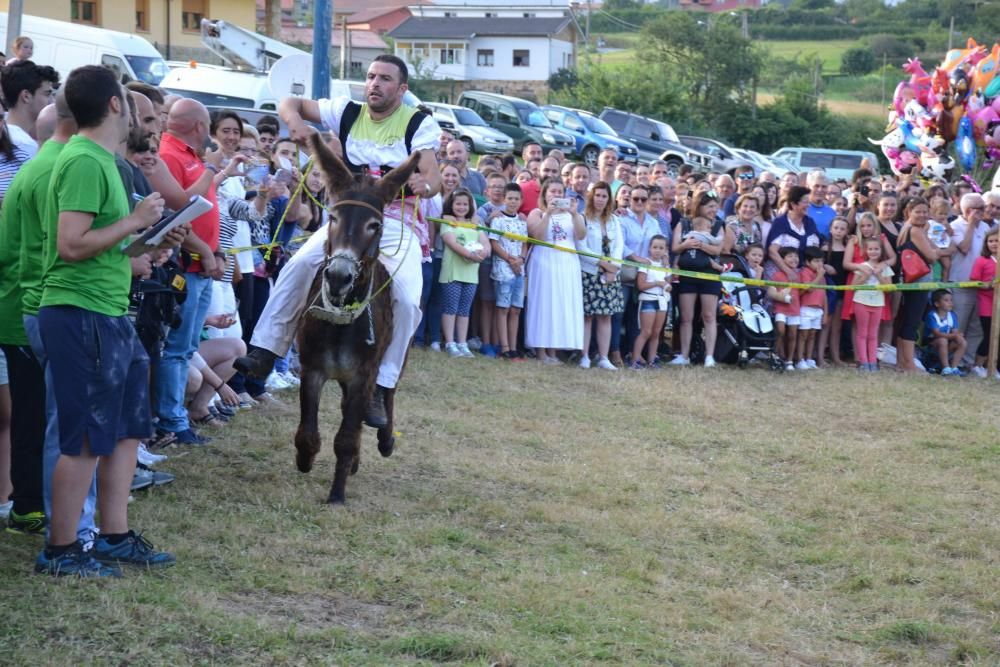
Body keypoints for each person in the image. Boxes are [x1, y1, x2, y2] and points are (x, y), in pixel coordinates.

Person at [236, 55, 442, 428]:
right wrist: (295, 122)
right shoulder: (347, 111)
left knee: (409, 299)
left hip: (394, 219)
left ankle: (382, 384)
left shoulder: (418, 123)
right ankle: (266, 348)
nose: (375, 84)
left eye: (384, 79)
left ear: (402, 88)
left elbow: (432, 174)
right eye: (370, 76)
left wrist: (424, 184)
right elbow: (288, 101)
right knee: (299, 265)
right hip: (346, 216)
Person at [36, 65, 184, 576]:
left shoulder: (100, 160)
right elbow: (71, 244)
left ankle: (114, 536)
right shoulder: (82, 160)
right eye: (128, 97)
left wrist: (151, 244)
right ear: (115, 105)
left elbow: (106, 244)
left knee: (124, 430)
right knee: (81, 438)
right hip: (80, 312)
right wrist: (136, 221)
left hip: (109, 308)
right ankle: (61, 550)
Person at [151, 98, 226, 445]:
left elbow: (207, 212)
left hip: (202, 265)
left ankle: (176, 417)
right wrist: (205, 251)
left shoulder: (193, 157)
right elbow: (175, 213)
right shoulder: (170, 155)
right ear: (200, 126)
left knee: (187, 346)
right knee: (177, 348)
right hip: (185, 266)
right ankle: (171, 420)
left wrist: (216, 251)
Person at [525, 177, 585, 364]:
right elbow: (538, 236)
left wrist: (575, 215)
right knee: (543, 304)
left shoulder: (574, 215)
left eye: (560, 192)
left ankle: (553, 351)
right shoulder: (537, 213)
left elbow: (581, 235)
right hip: (544, 260)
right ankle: (540, 351)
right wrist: (549, 214)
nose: (557, 195)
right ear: (545, 194)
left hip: (567, 262)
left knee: (560, 304)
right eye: (553, 191)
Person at [896, 197, 953, 373]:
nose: (922, 215)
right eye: (917, 211)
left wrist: (936, 250)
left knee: (906, 320)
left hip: (909, 280)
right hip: (918, 281)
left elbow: (941, 250)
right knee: (912, 322)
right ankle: (909, 364)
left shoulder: (907, 227)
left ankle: (902, 362)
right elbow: (932, 256)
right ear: (909, 212)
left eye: (924, 211)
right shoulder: (915, 230)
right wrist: (937, 251)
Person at [670, 191, 724, 367]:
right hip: (687, 275)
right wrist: (686, 244)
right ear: (699, 206)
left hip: (709, 275)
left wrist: (701, 244)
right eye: (710, 207)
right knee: (686, 317)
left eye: (715, 207)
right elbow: (675, 248)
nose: (713, 210)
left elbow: (718, 250)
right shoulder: (684, 223)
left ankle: (709, 356)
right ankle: (684, 355)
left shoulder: (718, 225)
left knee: (709, 315)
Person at [577, 181, 623, 371]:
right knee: (587, 316)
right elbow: (581, 247)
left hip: (610, 274)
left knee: (606, 316)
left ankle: (604, 357)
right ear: (591, 197)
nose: (600, 199)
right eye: (597, 195)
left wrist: (614, 268)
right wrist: (602, 263)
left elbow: (619, 246)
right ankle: (584, 356)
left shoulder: (614, 220)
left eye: (604, 196)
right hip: (590, 272)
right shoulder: (583, 218)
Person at [439, 189, 490, 358]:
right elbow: (451, 242)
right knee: (450, 308)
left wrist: (483, 253)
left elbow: (485, 243)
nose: (461, 207)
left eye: (465, 204)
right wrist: (469, 255)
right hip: (453, 272)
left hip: (471, 273)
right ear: (451, 205)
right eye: (458, 203)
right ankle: (450, 343)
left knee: (464, 310)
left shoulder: (476, 223)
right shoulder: (448, 222)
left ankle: (462, 342)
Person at [489, 183, 529, 361]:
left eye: (516, 199)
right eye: (510, 198)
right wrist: (509, 259)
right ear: (504, 199)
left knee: (515, 309)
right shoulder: (498, 220)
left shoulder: (522, 221)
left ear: (521, 200)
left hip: (519, 270)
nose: (513, 202)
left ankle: (513, 347)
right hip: (503, 269)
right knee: (503, 308)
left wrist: (520, 259)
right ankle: (504, 347)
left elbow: (524, 244)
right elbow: (494, 243)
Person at [949, 192, 990, 365]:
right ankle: (950, 362)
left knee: (976, 328)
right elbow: (964, 248)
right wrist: (971, 226)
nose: (983, 212)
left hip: (981, 286)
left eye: (983, 208)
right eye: (979, 209)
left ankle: (967, 363)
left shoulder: (986, 227)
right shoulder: (955, 226)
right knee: (959, 325)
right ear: (967, 210)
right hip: (961, 284)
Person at [850, 237, 894, 372]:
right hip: (861, 301)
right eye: (870, 249)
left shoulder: (885, 268)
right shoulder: (862, 266)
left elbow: (889, 287)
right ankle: (863, 362)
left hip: (878, 303)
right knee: (862, 333)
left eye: (876, 249)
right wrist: (865, 276)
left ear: (881, 251)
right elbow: (852, 286)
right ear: (866, 250)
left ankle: (873, 362)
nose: (873, 252)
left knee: (873, 334)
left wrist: (879, 275)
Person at [0, 59, 59, 157]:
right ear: (26, 96)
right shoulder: (27, 148)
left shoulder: (8, 132)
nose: (52, 101)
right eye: (47, 94)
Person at [630, 235, 671, 369]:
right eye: (655, 247)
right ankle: (635, 359)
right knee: (646, 332)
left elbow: (668, 283)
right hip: (648, 300)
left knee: (656, 332)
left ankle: (652, 360)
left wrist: (667, 279)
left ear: (665, 250)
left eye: (661, 248)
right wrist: (657, 283)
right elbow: (641, 285)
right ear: (649, 248)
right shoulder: (645, 264)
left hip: (662, 301)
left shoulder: (666, 266)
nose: (657, 250)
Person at [968, 229, 999, 378]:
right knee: (988, 335)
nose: (994, 244)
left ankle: (994, 367)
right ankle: (978, 365)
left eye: (997, 241)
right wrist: (987, 285)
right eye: (990, 241)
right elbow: (974, 281)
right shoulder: (982, 260)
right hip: (986, 303)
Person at [819, 217, 850, 366]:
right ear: (831, 229)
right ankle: (819, 356)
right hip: (828, 291)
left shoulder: (847, 249)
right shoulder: (825, 248)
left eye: (842, 229)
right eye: (836, 228)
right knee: (826, 324)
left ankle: (836, 357)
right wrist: (824, 266)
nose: (838, 231)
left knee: (837, 326)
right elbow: (816, 264)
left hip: (842, 289)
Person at [768, 246, 802, 371]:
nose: (794, 259)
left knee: (793, 334)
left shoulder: (800, 274)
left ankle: (789, 361)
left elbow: (802, 292)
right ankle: (775, 355)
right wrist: (782, 297)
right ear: (783, 259)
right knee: (780, 331)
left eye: (796, 256)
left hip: (795, 309)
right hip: (780, 308)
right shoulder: (777, 275)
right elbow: (772, 292)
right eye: (790, 256)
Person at [795, 246, 827, 370]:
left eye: (821, 261)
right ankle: (800, 359)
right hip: (806, 308)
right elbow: (808, 289)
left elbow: (824, 293)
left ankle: (809, 359)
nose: (819, 264)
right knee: (803, 334)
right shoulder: (805, 272)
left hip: (818, 309)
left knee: (812, 335)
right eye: (816, 261)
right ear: (807, 262)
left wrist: (825, 312)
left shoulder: (821, 276)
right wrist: (819, 276)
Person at [924, 289, 968, 377]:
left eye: (951, 300)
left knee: (962, 341)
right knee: (942, 340)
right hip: (932, 345)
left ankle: (954, 367)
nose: (950, 303)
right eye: (946, 300)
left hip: (947, 343)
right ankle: (946, 368)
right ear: (937, 304)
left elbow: (955, 332)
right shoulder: (931, 315)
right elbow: (937, 334)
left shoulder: (952, 315)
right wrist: (955, 335)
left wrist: (958, 336)